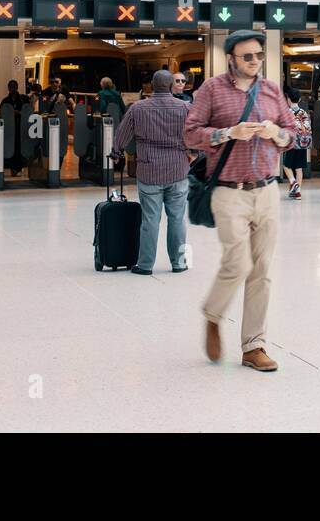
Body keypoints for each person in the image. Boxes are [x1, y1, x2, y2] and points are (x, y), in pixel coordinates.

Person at [184, 29, 296, 373]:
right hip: (228, 191)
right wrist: (227, 133)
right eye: (248, 56)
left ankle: (254, 346)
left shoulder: (272, 91)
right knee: (238, 263)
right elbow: (190, 132)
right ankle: (213, 315)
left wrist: (275, 133)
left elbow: (292, 134)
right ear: (231, 57)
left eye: (259, 55)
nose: (255, 62)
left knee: (261, 270)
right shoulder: (212, 90)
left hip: (266, 190)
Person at [114, 69, 192, 275]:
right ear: (170, 85)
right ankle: (179, 263)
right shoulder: (185, 107)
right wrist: (195, 154)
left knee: (150, 219)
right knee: (177, 218)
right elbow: (196, 134)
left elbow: (122, 133)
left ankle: (146, 265)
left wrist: (116, 152)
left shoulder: (138, 108)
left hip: (149, 170)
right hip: (178, 169)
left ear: (151, 86)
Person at [281, 85, 309, 201]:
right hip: (302, 143)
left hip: (290, 142)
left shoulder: (286, 113)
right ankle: (297, 193)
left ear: (288, 99)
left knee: (286, 165)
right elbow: (307, 128)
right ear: (299, 100)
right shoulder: (303, 112)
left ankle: (293, 183)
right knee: (299, 168)